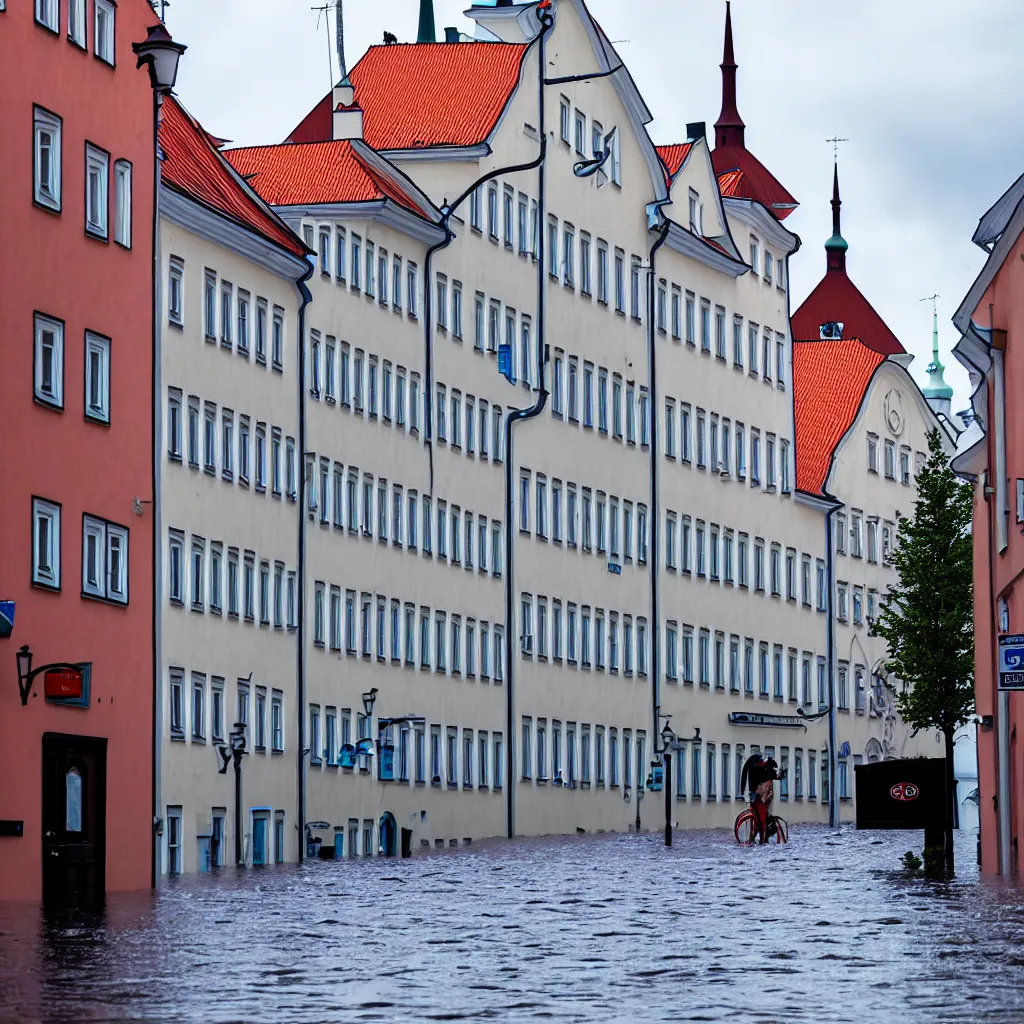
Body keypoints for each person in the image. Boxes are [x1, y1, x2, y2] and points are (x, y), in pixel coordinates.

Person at [740, 752, 783, 844]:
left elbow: (744, 778)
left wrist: (742, 791)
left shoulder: (751, 766)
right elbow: (774, 776)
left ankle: (753, 837)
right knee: (761, 818)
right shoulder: (763, 769)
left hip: (754, 794)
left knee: (756, 817)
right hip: (763, 796)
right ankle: (762, 839)